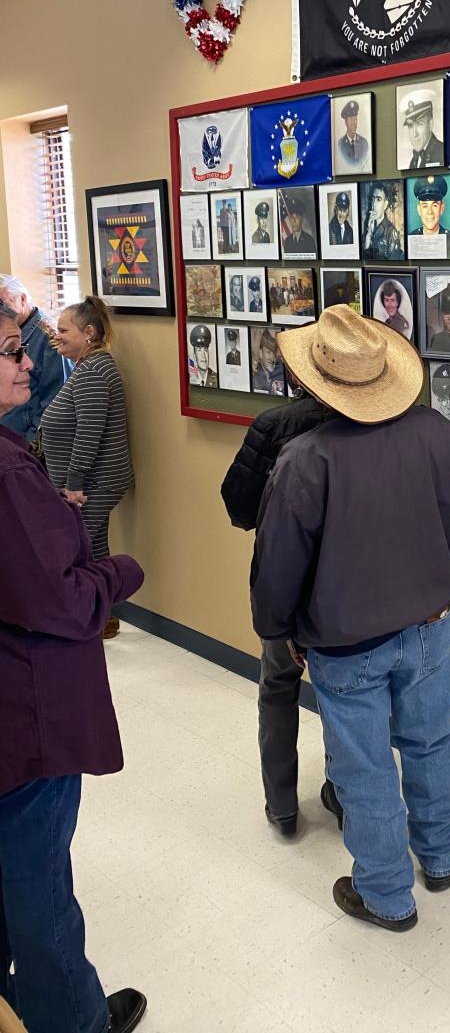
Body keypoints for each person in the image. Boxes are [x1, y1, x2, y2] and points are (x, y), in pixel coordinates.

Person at [251, 307, 450, 930]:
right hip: (432, 629)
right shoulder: (438, 434)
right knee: (429, 739)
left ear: (316, 381)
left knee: (363, 765)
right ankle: (439, 858)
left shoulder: (306, 459)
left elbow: (277, 570)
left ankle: (386, 894)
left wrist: (276, 629)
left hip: (346, 643)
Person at [0, 301, 148, 1033]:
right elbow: (60, 600)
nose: (33, 357)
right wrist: (116, 572)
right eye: (13, 349)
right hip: (24, 720)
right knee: (40, 892)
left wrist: (47, 512)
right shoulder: (6, 474)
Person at [221, 369, 338, 837]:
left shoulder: (273, 425)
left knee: (277, 688)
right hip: (342, 585)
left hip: (281, 578)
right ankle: (343, 793)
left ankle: (283, 803)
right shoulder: (369, 424)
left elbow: (239, 506)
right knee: (344, 696)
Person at [40, 296, 135, 573]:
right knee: (93, 549)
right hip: (91, 481)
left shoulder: (94, 372)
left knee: (76, 548)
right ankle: (104, 612)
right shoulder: (88, 366)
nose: (57, 337)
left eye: (64, 331)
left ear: (89, 333)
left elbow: (88, 435)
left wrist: (73, 485)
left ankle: (90, 611)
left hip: (93, 483)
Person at [0, 274, 69, 442]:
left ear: (22, 299)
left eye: (3, 302)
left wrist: (31, 446)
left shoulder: (50, 338)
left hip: (24, 444)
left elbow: (55, 405)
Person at [409, 174, 450, 255]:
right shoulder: (411, 239)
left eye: (435, 205)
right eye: (425, 206)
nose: (430, 212)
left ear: (442, 209)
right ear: (419, 210)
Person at [400, 89, 444, 169]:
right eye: (410, 126)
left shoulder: (442, 153)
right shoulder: (414, 161)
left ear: (430, 124)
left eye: (420, 124)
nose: (414, 134)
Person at [363, 181, 404, 260]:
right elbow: (364, 260)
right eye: (373, 199)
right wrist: (368, 235)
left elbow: (395, 263)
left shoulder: (390, 231)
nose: (373, 204)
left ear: (385, 204)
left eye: (378, 200)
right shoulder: (367, 226)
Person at [336, 99, 370, 172]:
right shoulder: (340, 144)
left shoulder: (364, 143)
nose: (354, 123)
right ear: (345, 122)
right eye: (351, 119)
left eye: (355, 119)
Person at [252, 328, 285, 396]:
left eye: (274, 353)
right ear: (261, 353)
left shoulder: (280, 372)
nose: (272, 358)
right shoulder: (256, 378)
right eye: (268, 352)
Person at [189, 323, 218, 388]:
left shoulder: (217, 379)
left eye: (205, 349)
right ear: (194, 356)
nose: (203, 355)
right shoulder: (189, 377)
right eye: (199, 350)